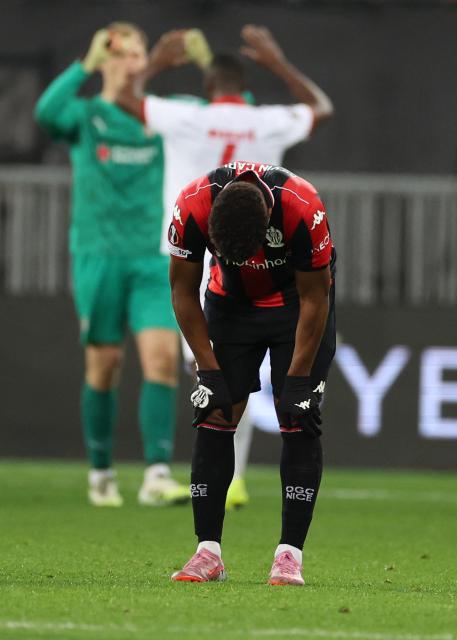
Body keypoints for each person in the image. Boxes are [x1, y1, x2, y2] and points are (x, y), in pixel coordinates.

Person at [117, 24, 334, 510]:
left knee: (208, 367)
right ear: (242, 87)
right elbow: (321, 108)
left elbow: (126, 98)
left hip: (191, 248)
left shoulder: (183, 117)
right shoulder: (266, 121)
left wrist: (155, 61)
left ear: (208, 87)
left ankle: (182, 470)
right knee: (249, 369)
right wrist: (277, 62)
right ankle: (233, 477)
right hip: (266, 250)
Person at [34, 23, 190, 507]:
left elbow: (229, 106)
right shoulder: (86, 115)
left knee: (162, 358)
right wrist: (84, 59)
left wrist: (201, 65)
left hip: (152, 256)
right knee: (105, 365)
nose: (129, 62)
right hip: (98, 255)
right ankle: (101, 471)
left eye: (138, 53)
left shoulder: (161, 117)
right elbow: (45, 114)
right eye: (118, 53)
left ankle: (157, 474)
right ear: (104, 61)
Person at [167, 161, 336, 584]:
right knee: (215, 413)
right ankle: (207, 553)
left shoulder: (303, 206)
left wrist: (298, 382)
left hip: (297, 308)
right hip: (230, 308)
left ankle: (289, 555)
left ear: (267, 225)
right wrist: (207, 369)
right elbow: (182, 291)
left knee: (297, 415)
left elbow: (317, 299)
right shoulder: (191, 205)